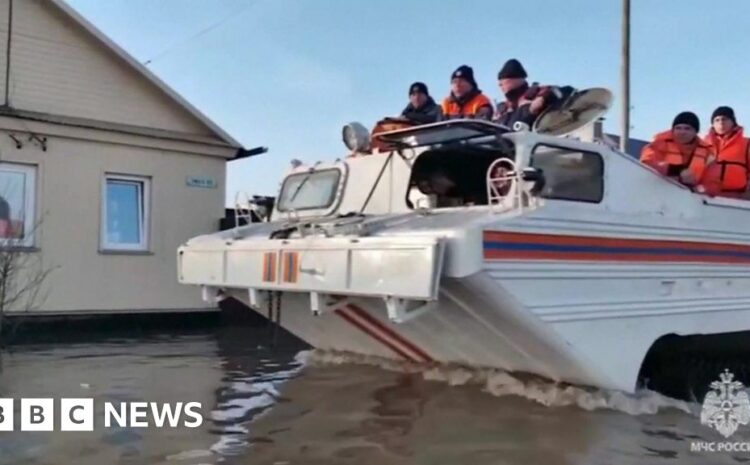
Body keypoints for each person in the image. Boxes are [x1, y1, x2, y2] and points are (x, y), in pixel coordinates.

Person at [639, 111, 712, 187]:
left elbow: (713, 177)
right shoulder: (660, 143)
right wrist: (676, 170)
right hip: (660, 191)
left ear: (695, 132)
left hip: (692, 195)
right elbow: (646, 161)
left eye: (687, 129)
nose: (682, 132)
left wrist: (701, 188)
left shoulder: (707, 151)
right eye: (678, 128)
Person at [492, 58, 564, 129]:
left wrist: (543, 98)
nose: (500, 85)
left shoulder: (538, 93)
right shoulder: (502, 109)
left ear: (517, 80)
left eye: (504, 81)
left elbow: (565, 91)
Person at [698, 106, 750, 197]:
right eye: (717, 120)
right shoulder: (702, 145)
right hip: (706, 197)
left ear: (733, 122)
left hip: (738, 196)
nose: (721, 122)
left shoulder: (746, 143)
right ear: (713, 124)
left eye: (725, 119)